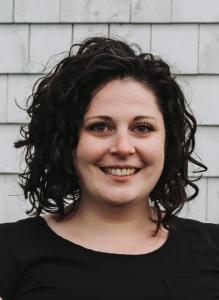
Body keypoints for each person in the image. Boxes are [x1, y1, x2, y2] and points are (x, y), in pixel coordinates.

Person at [0, 37, 218, 300]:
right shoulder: (7, 249)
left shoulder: (214, 246)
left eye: (142, 128)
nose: (123, 148)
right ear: (66, 142)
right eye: (100, 127)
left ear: (167, 143)